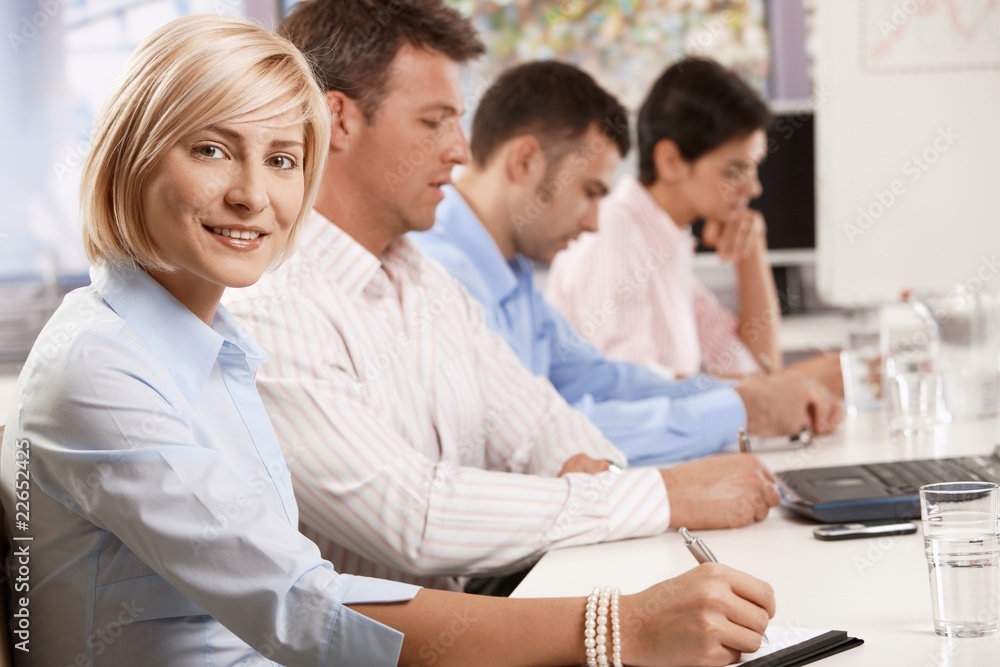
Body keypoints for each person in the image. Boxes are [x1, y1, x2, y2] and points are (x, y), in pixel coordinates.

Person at [0, 14, 776, 667]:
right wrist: (617, 627)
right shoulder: (100, 362)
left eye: (280, 160)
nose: (251, 192)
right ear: (132, 153)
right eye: (210, 149)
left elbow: (539, 422)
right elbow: (301, 603)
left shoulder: (213, 337)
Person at [227, 0, 784, 598]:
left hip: (469, 617)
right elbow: (414, 519)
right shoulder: (270, 300)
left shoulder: (421, 279)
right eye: (434, 121)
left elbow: (543, 423)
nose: (461, 151)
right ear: (338, 120)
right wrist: (661, 495)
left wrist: (587, 469)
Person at [411, 60, 841, 466]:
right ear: (524, 160)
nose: (595, 221)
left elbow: (603, 381)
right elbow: (538, 438)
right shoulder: (440, 274)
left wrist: (747, 396)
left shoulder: (510, 271)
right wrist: (742, 406)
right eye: (590, 191)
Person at [546, 57, 843, 394]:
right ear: (671, 161)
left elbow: (754, 365)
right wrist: (798, 383)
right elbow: (636, 394)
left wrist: (752, 249)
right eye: (734, 171)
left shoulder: (664, 239)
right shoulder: (616, 235)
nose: (753, 189)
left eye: (753, 167)